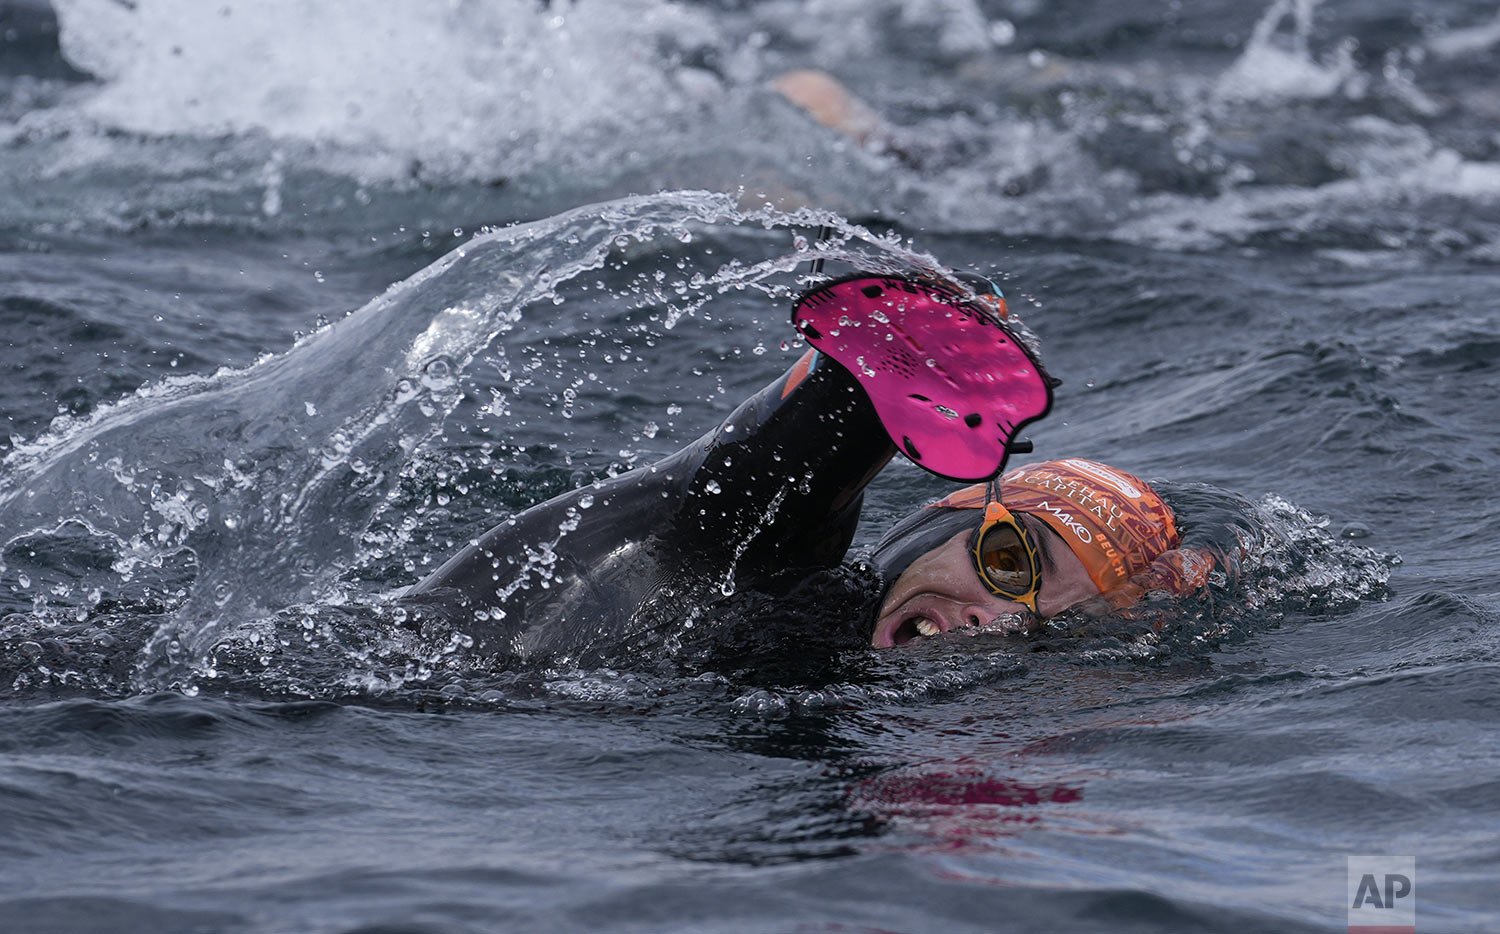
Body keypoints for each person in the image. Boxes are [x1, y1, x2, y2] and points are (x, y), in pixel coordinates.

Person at [405, 272, 1205, 662]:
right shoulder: (773, 580)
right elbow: (746, 492)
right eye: (1006, 561)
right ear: (936, 521)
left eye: (1043, 625)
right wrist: (880, 380)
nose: (992, 622)